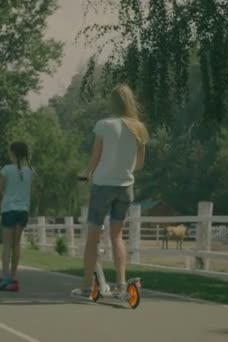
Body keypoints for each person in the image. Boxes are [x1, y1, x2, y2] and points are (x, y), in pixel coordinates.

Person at [72, 83, 148, 299]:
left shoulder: (104, 125)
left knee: (93, 237)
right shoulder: (139, 127)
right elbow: (140, 164)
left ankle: (87, 286)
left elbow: (95, 157)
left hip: (103, 186)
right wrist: (123, 169)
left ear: (112, 102)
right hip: (126, 187)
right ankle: (121, 285)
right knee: (117, 236)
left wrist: (87, 173)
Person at [0, 141, 35, 291]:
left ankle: (5, 277)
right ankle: (13, 277)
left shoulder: (6, 169)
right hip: (23, 211)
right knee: (16, 244)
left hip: (9, 210)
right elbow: (34, 191)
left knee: (6, 245)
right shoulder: (31, 171)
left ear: (13, 153)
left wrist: (0, 200)